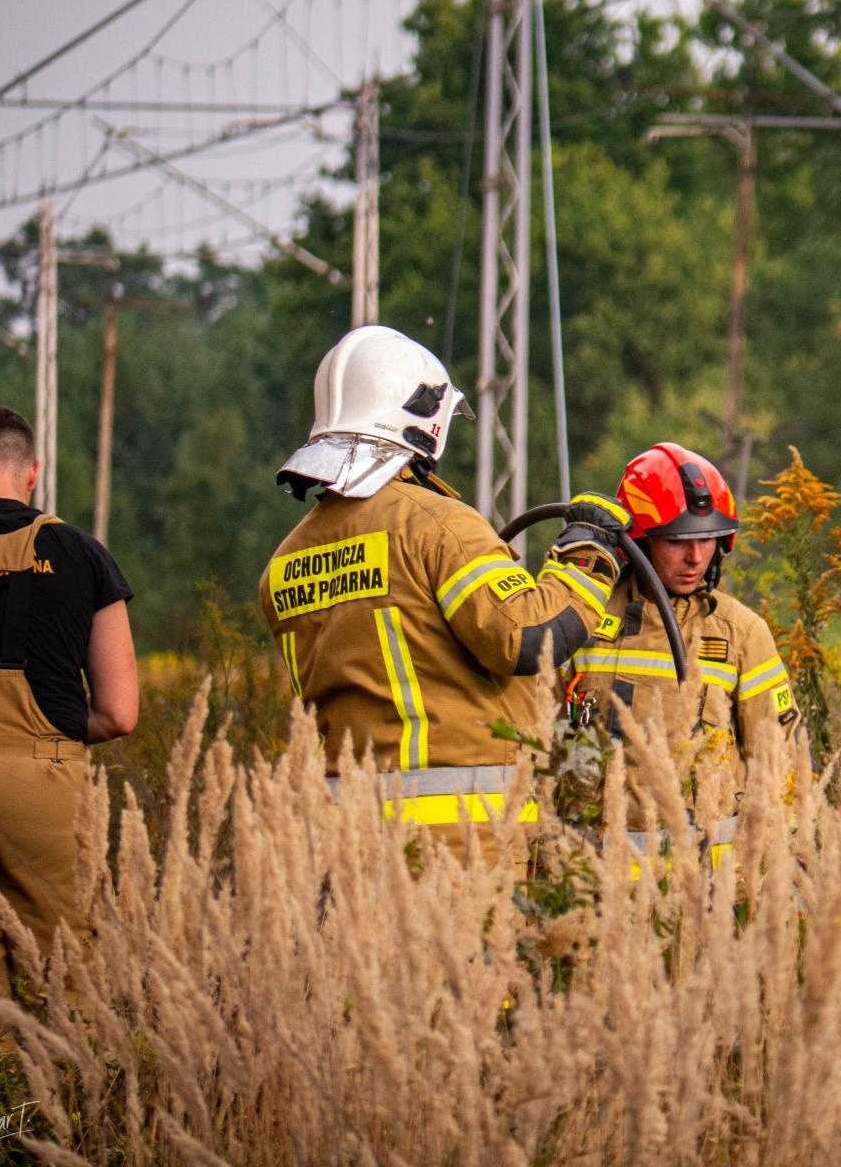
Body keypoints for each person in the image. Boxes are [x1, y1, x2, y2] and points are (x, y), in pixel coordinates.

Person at [258, 325, 630, 855]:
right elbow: (526, 637)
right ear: (424, 419)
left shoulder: (283, 563)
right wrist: (587, 556)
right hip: (459, 841)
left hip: (344, 840)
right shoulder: (437, 525)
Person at [0, 406, 138, 1019]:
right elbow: (119, 713)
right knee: (63, 989)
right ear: (32, 473)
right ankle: (59, 1106)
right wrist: (52, 728)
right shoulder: (84, 555)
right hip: (48, 787)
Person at [565, 443, 799, 850]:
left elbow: (780, 764)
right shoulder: (582, 617)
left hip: (702, 888)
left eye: (707, 539)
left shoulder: (741, 633)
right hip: (592, 888)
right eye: (676, 540)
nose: (695, 557)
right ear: (637, 542)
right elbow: (533, 744)